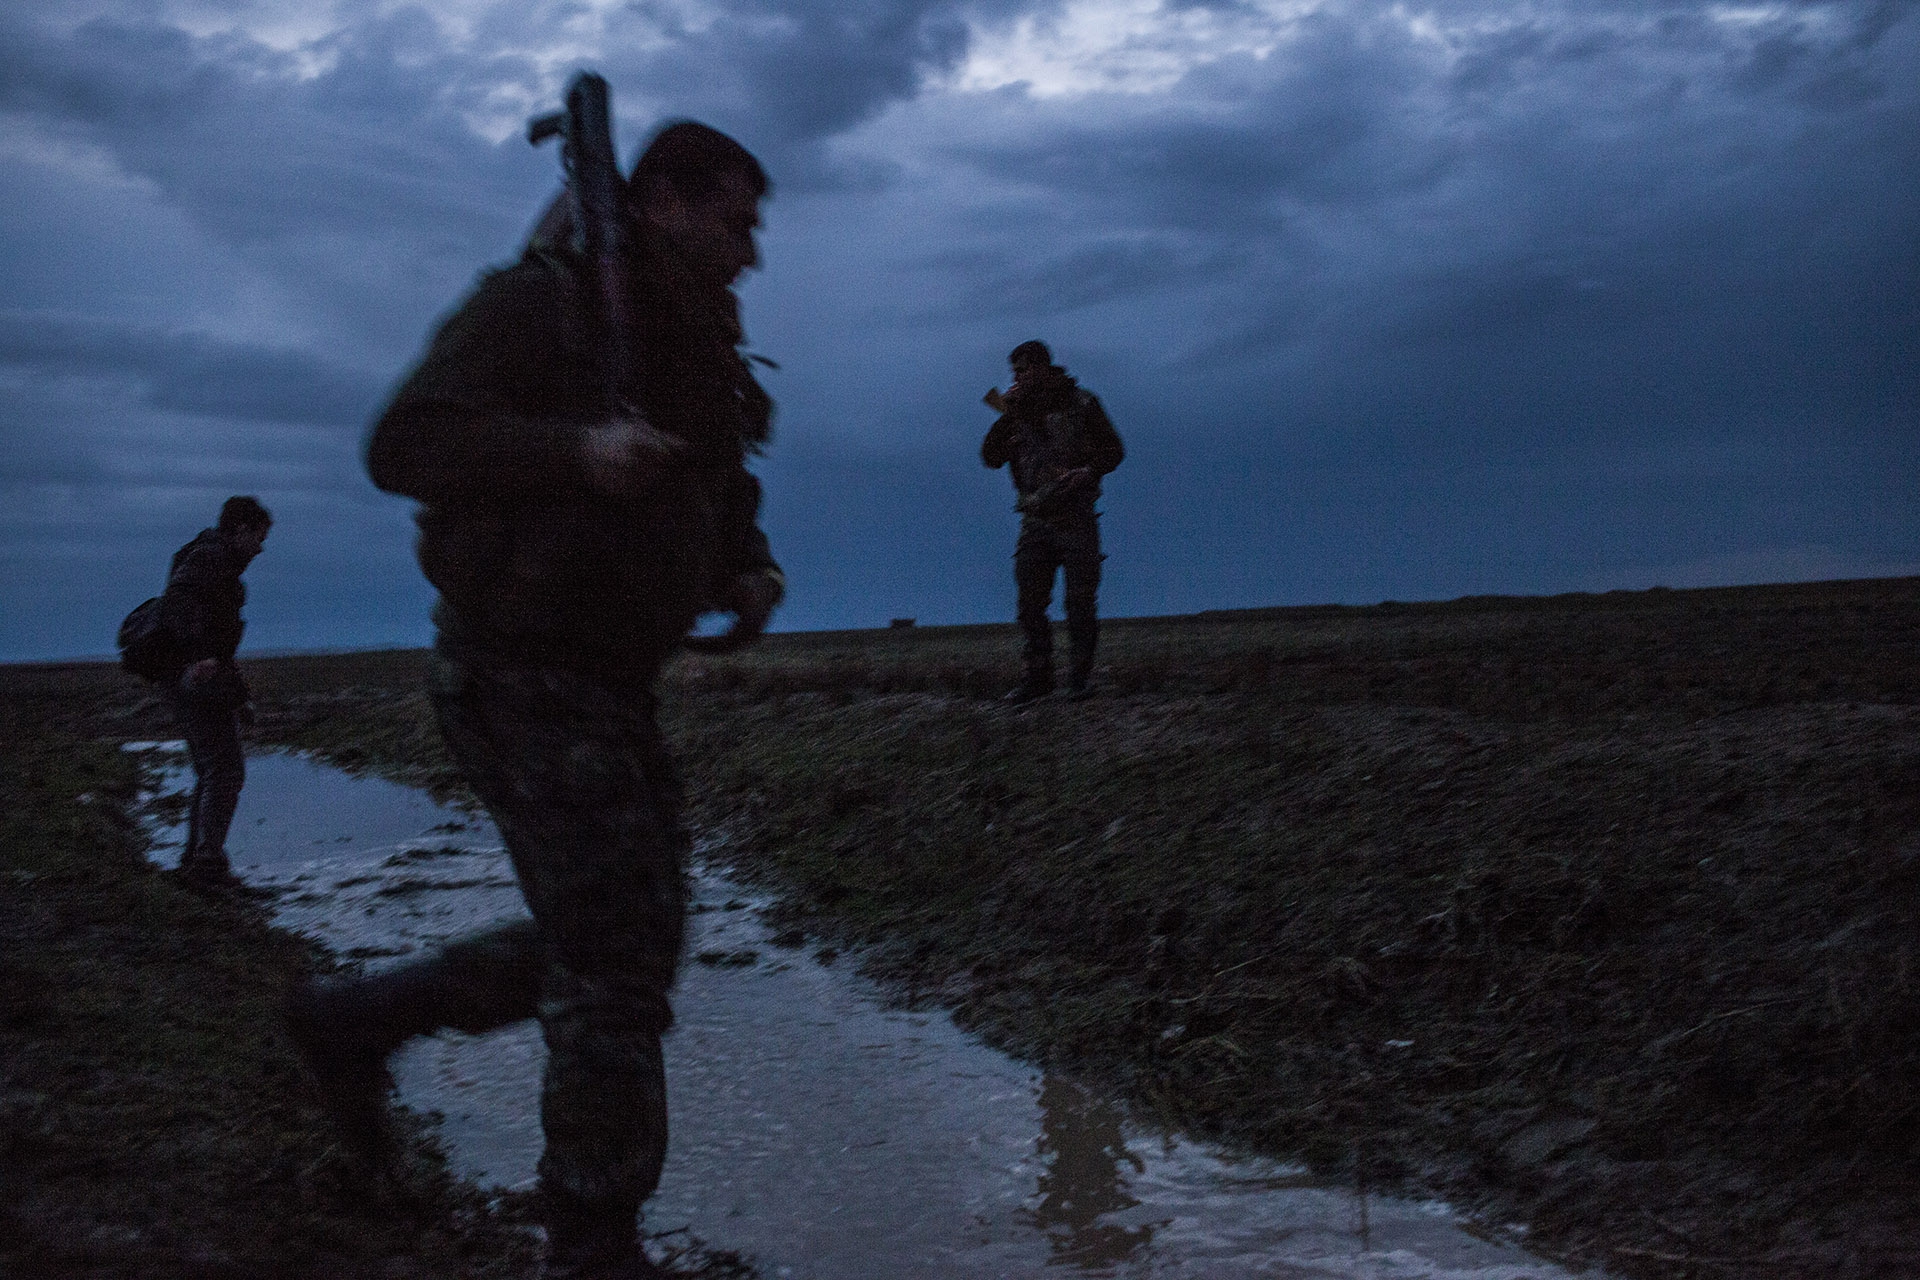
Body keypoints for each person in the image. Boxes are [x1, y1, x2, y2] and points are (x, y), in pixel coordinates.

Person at [286, 121, 783, 1280]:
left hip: (610, 681)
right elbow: (405, 442)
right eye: (734, 219)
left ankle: (354, 1020)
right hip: (517, 670)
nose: (752, 251)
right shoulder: (537, 306)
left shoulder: (690, 336)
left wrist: (746, 564)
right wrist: (575, 454)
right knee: (615, 961)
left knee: (618, 940)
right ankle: (593, 1241)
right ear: (662, 198)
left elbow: (718, 476)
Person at [980, 341, 1124, 701]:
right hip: (1034, 520)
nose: (1018, 377)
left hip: (1076, 516)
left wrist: (1088, 473)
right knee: (1030, 604)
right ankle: (1037, 679)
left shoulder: (1082, 403)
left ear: (1043, 368)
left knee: (1079, 602)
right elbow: (991, 457)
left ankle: (1079, 680)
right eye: (1015, 371)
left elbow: (1113, 451)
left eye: (1024, 370)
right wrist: (1007, 416)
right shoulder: (1015, 412)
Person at [159, 495, 272, 891]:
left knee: (213, 770)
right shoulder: (210, 559)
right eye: (259, 536)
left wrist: (238, 696)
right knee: (224, 770)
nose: (261, 547)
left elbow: (219, 642)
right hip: (194, 678)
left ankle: (200, 860)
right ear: (241, 529)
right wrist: (198, 657)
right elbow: (179, 602)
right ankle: (205, 865)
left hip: (192, 676)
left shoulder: (210, 558)